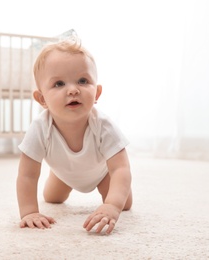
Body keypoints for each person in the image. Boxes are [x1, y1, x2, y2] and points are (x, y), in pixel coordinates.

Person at [16, 37, 133, 235]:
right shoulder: (40, 127)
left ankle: (112, 198)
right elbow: (27, 175)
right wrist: (29, 212)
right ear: (42, 98)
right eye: (59, 83)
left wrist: (112, 205)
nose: (73, 90)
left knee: (125, 203)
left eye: (83, 81)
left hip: (102, 174)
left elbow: (121, 168)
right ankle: (59, 174)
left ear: (96, 93)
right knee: (52, 198)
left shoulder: (103, 125)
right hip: (63, 174)